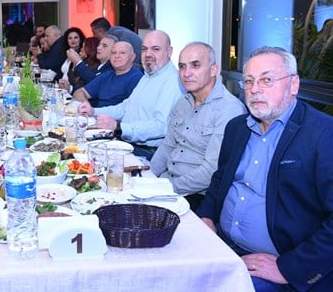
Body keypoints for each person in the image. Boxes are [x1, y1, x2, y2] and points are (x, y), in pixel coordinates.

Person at [197, 46, 333, 291]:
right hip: (223, 247)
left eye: (267, 80)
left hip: (280, 266)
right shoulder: (237, 128)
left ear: (293, 85)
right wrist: (206, 217)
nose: (255, 89)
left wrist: (289, 268)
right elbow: (220, 180)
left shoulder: (323, 134)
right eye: (249, 81)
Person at [150, 42, 246, 211]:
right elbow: (167, 146)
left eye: (195, 65)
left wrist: (164, 188)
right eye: (182, 66)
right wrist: (147, 179)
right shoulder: (183, 102)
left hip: (197, 196)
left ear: (214, 70)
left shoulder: (229, 110)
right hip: (166, 184)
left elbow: (211, 171)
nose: (186, 73)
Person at [78, 30, 183, 159]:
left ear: (169, 51)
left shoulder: (172, 81)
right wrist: (93, 111)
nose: (148, 54)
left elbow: (161, 126)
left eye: (155, 49)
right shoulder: (149, 75)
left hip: (149, 153)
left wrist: (119, 127)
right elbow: (125, 107)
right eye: (144, 49)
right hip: (129, 143)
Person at [73, 40, 142, 107]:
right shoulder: (107, 75)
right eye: (114, 53)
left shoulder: (136, 78)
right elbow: (79, 92)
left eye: (122, 53)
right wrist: (86, 105)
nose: (117, 56)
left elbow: (132, 108)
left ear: (132, 57)